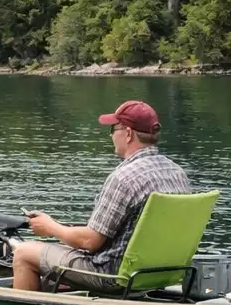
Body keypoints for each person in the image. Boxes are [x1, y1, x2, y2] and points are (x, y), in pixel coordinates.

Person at [11, 100, 192, 292]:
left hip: (112, 275)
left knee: (23, 252)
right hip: (162, 273)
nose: (111, 135)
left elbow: (90, 242)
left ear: (128, 133)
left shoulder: (124, 178)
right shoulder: (177, 173)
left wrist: (50, 227)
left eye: (113, 129)